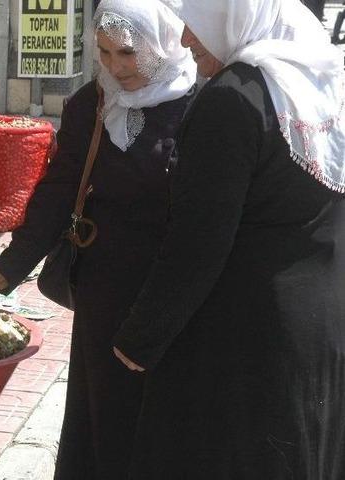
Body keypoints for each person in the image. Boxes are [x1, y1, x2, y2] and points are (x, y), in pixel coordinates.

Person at [112, 0, 345, 478]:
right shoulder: (321, 84)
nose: (185, 41)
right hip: (320, 326)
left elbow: (198, 243)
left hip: (243, 342)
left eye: (196, 24)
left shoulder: (231, 98)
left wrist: (140, 338)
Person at [0, 0, 197, 477]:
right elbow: (60, 188)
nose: (116, 67)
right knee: (105, 412)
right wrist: (13, 263)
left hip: (174, 285)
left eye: (129, 54)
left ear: (162, 43)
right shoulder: (90, 104)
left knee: (169, 414)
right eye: (106, 53)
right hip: (105, 287)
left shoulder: (199, 105)